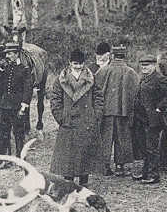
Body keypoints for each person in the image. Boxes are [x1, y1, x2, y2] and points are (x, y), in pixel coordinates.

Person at [49, 49, 102, 186]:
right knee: (68, 156)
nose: (78, 67)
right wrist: (61, 117)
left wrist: (96, 115)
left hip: (87, 121)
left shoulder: (92, 78)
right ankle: (69, 184)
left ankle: (83, 183)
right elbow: (55, 100)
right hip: (68, 122)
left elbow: (98, 98)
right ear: (69, 63)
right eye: (75, 64)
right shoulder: (61, 79)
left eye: (81, 64)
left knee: (84, 154)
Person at [95, 44, 139, 176]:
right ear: (125, 56)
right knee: (123, 138)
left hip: (106, 111)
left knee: (105, 139)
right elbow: (135, 93)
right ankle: (120, 166)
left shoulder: (102, 71)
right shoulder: (131, 72)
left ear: (112, 55)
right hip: (123, 112)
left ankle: (105, 166)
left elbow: (95, 91)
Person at [0, 41, 34, 157]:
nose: (7, 56)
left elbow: (28, 90)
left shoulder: (24, 69)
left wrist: (23, 107)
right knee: (4, 133)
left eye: (10, 54)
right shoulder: (5, 68)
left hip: (17, 106)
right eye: (7, 54)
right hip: (4, 105)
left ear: (17, 54)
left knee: (18, 133)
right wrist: (0, 69)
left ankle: (20, 157)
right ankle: (6, 157)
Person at [132, 53, 167, 184]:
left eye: (147, 65)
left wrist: (159, 108)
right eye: (142, 65)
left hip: (153, 119)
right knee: (144, 147)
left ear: (154, 65)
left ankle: (154, 174)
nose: (144, 68)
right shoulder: (143, 78)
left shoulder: (160, 78)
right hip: (141, 118)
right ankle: (145, 172)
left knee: (152, 147)